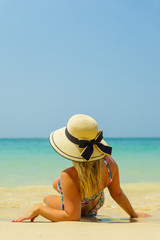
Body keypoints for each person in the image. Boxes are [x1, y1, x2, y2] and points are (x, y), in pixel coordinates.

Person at [13, 114, 150, 222]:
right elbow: (117, 194)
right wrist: (133, 214)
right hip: (96, 202)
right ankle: (69, 193)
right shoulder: (110, 163)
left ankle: (63, 195)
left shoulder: (69, 175)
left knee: (47, 198)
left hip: (80, 208)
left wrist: (39, 210)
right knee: (57, 183)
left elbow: (72, 217)